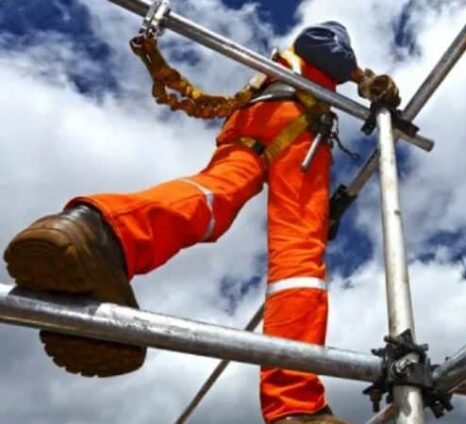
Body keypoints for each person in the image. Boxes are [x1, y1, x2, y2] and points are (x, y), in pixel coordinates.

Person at [3, 21, 399, 424]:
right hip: (297, 122)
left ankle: (102, 232)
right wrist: (361, 78)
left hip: (252, 125)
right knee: (298, 259)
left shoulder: (276, 68)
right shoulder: (320, 40)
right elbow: (321, 46)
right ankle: (296, 402)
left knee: (213, 199)